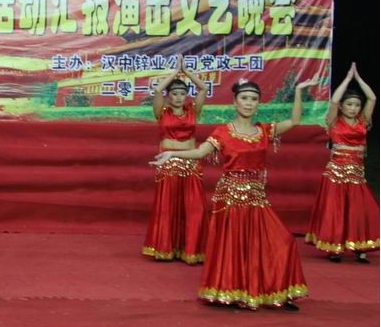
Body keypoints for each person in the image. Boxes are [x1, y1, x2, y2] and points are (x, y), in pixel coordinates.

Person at [153, 75, 318, 310]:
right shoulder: (223, 132)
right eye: (244, 98)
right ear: (235, 101)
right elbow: (200, 152)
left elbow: (294, 120)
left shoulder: (264, 130)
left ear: (258, 103)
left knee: (283, 241)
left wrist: (299, 91)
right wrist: (172, 154)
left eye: (253, 99)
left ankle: (274, 291)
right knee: (233, 247)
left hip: (256, 197)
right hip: (230, 197)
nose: (249, 103)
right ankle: (229, 292)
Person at [306, 62, 378, 262]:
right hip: (335, 173)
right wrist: (347, 79)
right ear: (342, 107)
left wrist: (358, 78)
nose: (354, 108)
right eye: (350, 104)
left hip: (356, 174)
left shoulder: (363, 121)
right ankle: (334, 247)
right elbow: (334, 100)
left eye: (357, 105)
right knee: (335, 211)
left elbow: (372, 98)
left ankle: (360, 247)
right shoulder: (333, 121)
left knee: (358, 211)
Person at [142, 60, 208, 264]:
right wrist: (174, 73)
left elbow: (203, 88)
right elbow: (157, 90)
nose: (179, 97)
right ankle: (166, 247)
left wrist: (186, 72)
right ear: (169, 96)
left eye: (182, 93)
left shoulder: (193, 110)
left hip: (190, 161)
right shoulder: (161, 112)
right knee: (168, 206)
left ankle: (190, 249)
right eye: (174, 93)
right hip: (168, 162)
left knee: (192, 206)